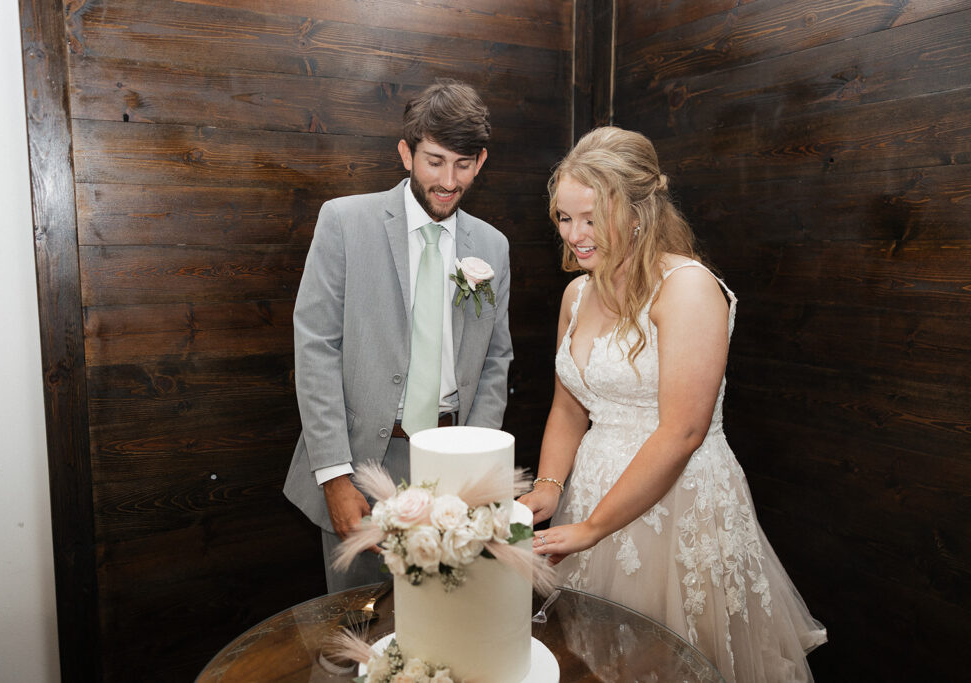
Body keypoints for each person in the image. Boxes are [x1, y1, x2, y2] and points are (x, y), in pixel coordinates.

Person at [518, 127, 826, 682]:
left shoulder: (687, 288)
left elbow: (683, 431)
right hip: (591, 491)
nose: (576, 236)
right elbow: (568, 406)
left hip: (677, 502)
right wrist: (548, 487)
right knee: (596, 658)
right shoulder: (577, 293)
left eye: (591, 218)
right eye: (564, 219)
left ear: (638, 211)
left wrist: (593, 528)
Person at [284, 80, 513, 592]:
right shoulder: (344, 221)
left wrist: (477, 464)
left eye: (463, 164)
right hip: (365, 459)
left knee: (448, 620)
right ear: (406, 153)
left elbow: (497, 359)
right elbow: (316, 347)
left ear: (480, 162)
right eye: (434, 161)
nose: (448, 181)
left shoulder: (492, 248)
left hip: (456, 458)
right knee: (361, 629)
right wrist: (334, 476)